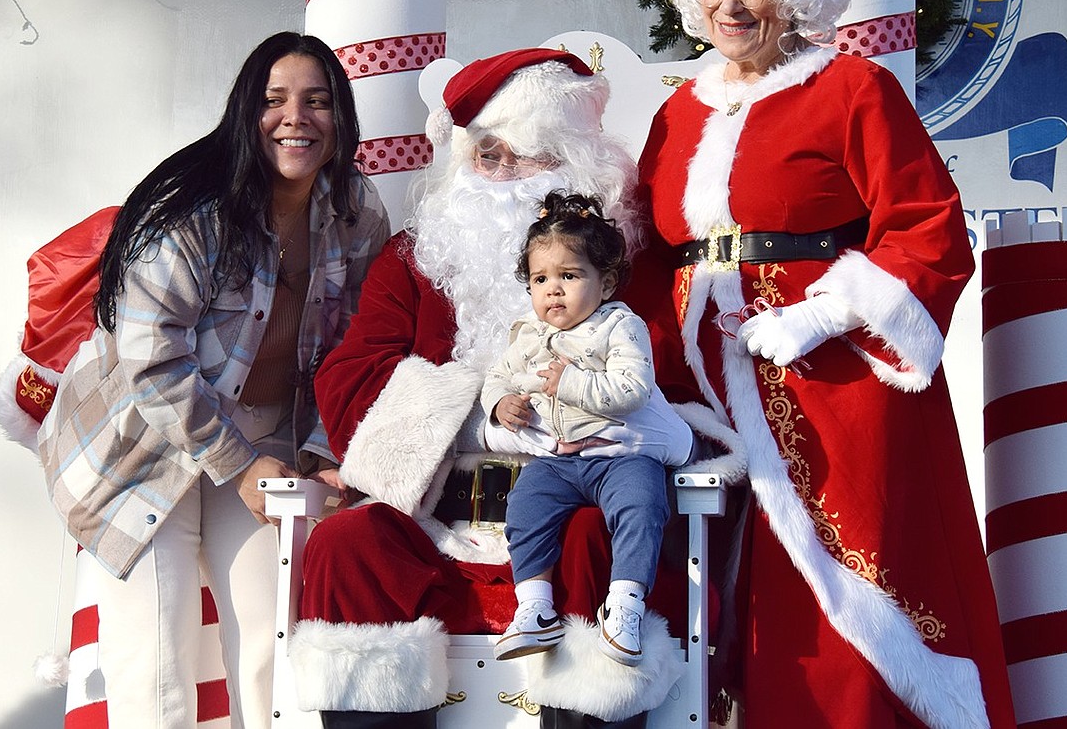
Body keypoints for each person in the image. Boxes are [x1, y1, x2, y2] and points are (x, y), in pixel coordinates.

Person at [634, 0, 1016, 729]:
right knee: (716, 588)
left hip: (832, 385)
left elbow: (928, 227)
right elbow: (645, 252)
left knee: (846, 594)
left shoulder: (853, 89)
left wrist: (823, 313)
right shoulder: (678, 112)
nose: (731, 5)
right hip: (701, 388)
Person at [290, 48, 741, 729]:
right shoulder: (417, 261)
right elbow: (351, 378)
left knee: (599, 537)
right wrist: (480, 422)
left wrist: (598, 421)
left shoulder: (628, 272)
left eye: (522, 158)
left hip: (575, 513)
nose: (499, 178)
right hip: (439, 520)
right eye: (485, 156)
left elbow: (679, 393)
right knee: (345, 544)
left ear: (572, 164)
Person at [36, 31, 390, 728]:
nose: (297, 118)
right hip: (141, 444)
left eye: (317, 101)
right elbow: (151, 359)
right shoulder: (194, 212)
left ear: (341, 117)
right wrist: (238, 465)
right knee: (157, 659)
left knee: (272, 643)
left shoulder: (356, 210)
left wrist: (322, 451)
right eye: (276, 101)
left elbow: (357, 343)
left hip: (263, 434)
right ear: (244, 113)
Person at [482, 190, 696, 667]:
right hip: (558, 461)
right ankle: (535, 608)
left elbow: (633, 387)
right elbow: (496, 377)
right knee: (524, 506)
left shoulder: (619, 325)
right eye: (541, 279)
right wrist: (500, 404)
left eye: (570, 275)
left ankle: (625, 605)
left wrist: (572, 382)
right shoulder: (529, 336)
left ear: (606, 283)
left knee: (642, 505)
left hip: (618, 455)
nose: (553, 289)